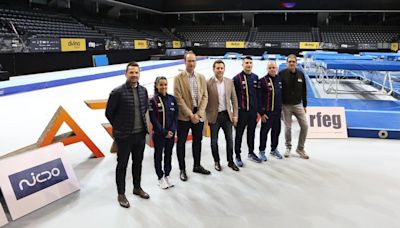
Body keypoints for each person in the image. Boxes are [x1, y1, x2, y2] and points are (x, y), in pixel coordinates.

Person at [105, 61, 150, 208]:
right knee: (122, 165)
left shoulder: (143, 91)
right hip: (124, 137)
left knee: (138, 163)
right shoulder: (117, 92)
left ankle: (137, 188)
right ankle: (121, 193)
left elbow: (143, 110)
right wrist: (120, 128)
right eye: (131, 72)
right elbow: (109, 113)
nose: (134, 75)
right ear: (126, 74)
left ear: (139, 74)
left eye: (136, 72)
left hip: (140, 135)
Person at [173, 51, 210, 182]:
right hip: (184, 116)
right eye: (189, 61)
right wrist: (190, 114)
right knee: (181, 143)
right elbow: (178, 99)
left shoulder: (201, 77)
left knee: (197, 142)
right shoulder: (178, 78)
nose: (191, 63)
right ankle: (182, 169)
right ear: (185, 62)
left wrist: (199, 113)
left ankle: (197, 165)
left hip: (199, 115)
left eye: (193, 61)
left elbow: (205, 96)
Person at [206, 60, 240, 172]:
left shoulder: (229, 82)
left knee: (230, 140)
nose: (220, 70)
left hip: (227, 116)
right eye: (217, 68)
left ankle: (230, 161)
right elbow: (204, 101)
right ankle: (217, 162)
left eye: (221, 68)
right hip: (214, 117)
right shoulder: (208, 83)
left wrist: (235, 115)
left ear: (224, 69)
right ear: (213, 69)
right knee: (214, 142)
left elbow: (234, 99)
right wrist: (206, 117)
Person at [149, 76, 178, 189]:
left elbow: (175, 116)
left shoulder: (172, 99)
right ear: (156, 86)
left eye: (165, 84)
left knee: (169, 154)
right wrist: (163, 132)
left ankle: (167, 174)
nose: (163, 87)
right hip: (159, 135)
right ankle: (160, 177)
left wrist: (172, 130)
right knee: (158, 156)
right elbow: (153, 119)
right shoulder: (153, 101)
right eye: (161, 85)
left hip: (170, 134)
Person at [232, 56, 262, 167]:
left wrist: (259, 111)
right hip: (241, 112)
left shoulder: (255, 77)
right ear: (242, 64)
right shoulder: (236, 79)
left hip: (252, 113)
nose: (248, 65)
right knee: (239, 134)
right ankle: (237, 155)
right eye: (246, 63)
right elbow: (233, 97)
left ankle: (251, 152)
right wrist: (235, 113)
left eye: (250, 63)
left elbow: (258, 95)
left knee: (251, 133)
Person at [280, 54, 309, 159]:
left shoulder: (301, 74)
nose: (291, 63)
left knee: (305, 126)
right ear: (287, 63)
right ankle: (288, 147)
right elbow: (278, 91)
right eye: (290, 61)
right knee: (288, 128)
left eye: (293, 61)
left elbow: (304, 91)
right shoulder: (281, 74)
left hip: (298, 105)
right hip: (286, 105)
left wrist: (305, 105)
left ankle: (300, 148)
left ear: (296, 63)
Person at [258, 61, 283, 161]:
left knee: (276, 131)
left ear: (276, 68)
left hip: (277, 113)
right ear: (267, 69)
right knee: (264, 132)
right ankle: (262, 151)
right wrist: (262, 113)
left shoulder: (279, 79)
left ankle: (273, 149)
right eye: (270, 68)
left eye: (274, 67)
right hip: (267, 113)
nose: (272, 69)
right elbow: (259, 98)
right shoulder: (262, 81)